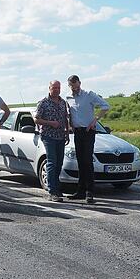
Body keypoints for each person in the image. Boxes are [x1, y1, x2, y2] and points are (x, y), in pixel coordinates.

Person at [67, 75, 110, 203]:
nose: (74, 88)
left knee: (87, 161)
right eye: (71, 86)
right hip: (77, 132)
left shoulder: (88, 94)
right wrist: (70, 125)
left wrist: (95, 120)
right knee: (80, 162)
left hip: (88, 131)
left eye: (75, 85)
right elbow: (69, 113)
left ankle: (89, 192)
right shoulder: (68, 97)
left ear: (79, 83)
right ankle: (80, 191)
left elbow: (105, 106)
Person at [34, 80, 69, 202]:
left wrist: (67, 132)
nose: (56, 90)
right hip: (48, 136)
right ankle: (52, 191)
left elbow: (65, 118)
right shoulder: (43, 102)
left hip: (61, 136)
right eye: (54, 88)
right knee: (52, 162)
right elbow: (36, 119)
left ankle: (57, 187)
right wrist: (50, 123)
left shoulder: (63, 102)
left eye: (58, 88)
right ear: (49, 88)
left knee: (59, 163)